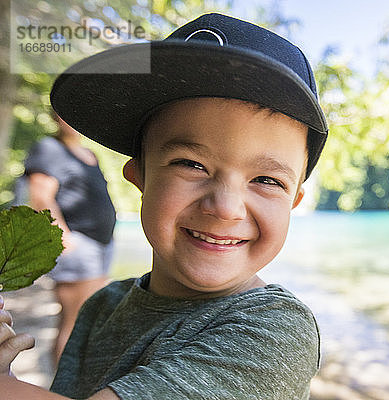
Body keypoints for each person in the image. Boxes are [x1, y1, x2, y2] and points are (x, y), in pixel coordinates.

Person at [0, 12, 328, 399]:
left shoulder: (275, 330)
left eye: (267, 180)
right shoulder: (102, 307)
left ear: (294, 201)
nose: (225, 208)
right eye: (191, 164)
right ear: (139, 176)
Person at [23, 113, 116, 365]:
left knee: (91, 319)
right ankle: (63, 388)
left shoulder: (89, 155)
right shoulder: (49, 148)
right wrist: (62, 236)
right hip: (78, 245)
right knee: (75, 320)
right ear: (56, 118)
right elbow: (40, 196)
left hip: (101, 245)